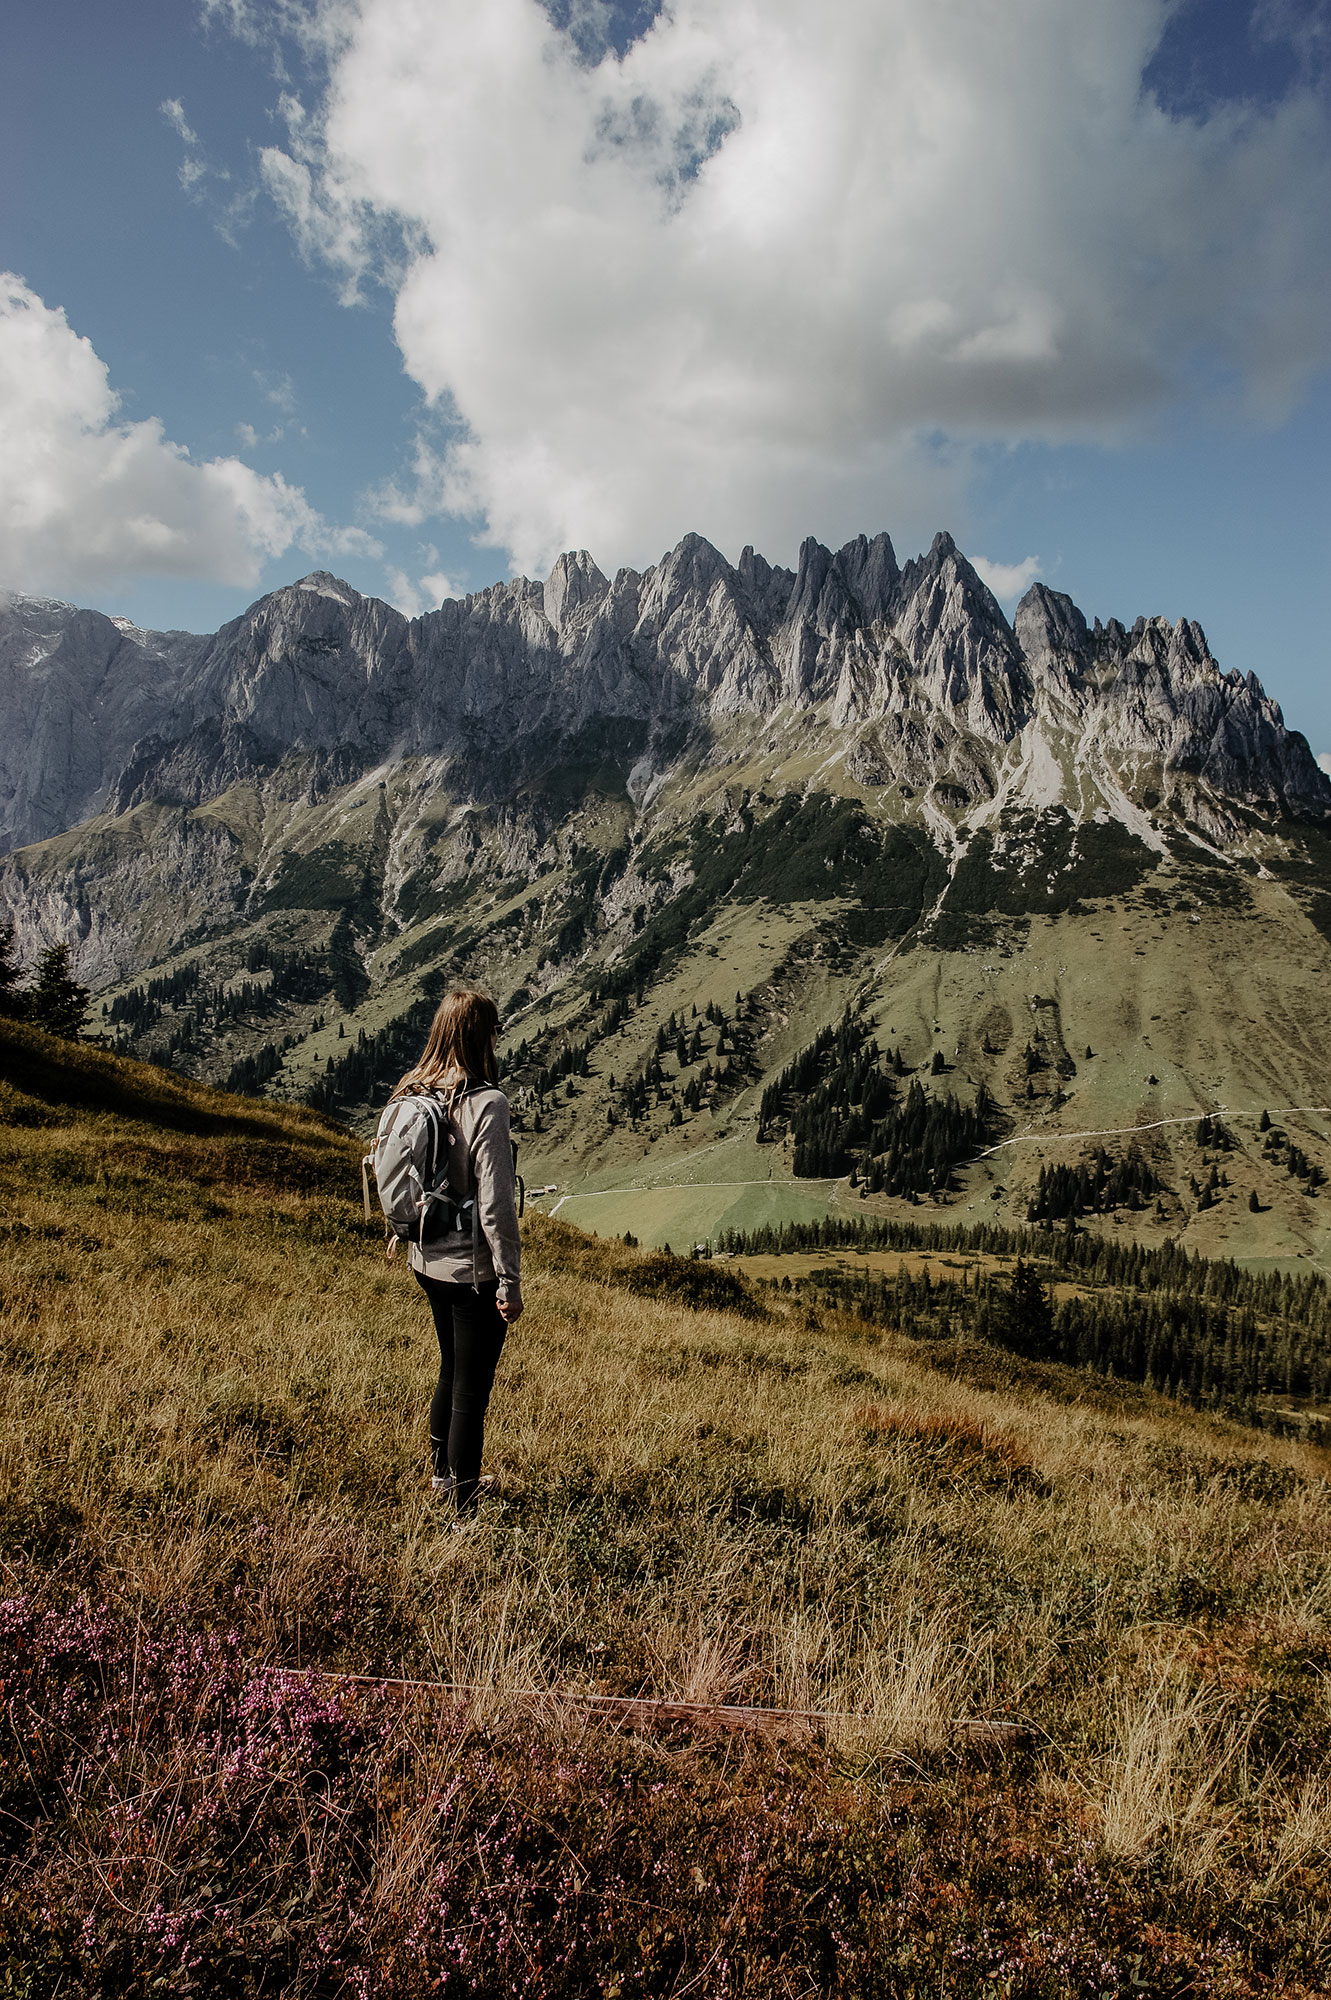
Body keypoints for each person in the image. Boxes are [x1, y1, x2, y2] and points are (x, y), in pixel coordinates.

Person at [390, 984, 522, 1512]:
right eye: (495, 1030)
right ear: (481, 1036)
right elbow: (496, 1205)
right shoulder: (486, 1103)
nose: (497, 1038)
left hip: (425, 1258)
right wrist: (509, 1281)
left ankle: (441, 1479)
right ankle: (462, 1507)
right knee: (472, 1388)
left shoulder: (412, 1090)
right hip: (472, 1271)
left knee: (450, 1366)